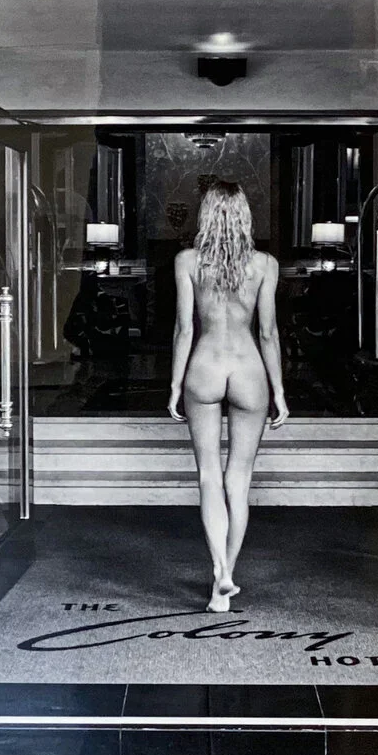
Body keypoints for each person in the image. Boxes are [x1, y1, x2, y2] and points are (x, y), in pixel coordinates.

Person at [166, 181, 290, 612]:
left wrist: (175, 384)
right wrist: (279, 391)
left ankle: (219, 568)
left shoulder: (187, 261)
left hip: (205, 366)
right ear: (244, 216)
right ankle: (227, 576)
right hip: (248, 370)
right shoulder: (265, 265)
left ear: (205, 215)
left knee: (208, 476)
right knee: (239, 479)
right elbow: (268, 333)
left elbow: (184, 329)